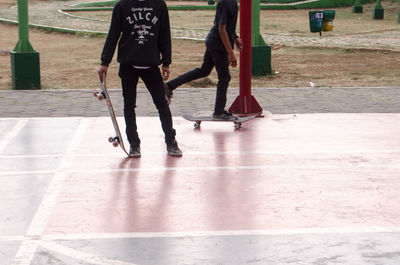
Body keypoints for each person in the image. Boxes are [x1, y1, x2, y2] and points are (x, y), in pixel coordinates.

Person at [98, 0, 182, 158]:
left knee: (162, 104)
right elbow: (113, 33)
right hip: (128, 64)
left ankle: (171, 141)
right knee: (129, 106)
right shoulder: (122, 5)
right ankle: (134, 144)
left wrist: (166, 62)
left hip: (151, 65)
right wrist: (105, 62)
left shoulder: (159, 5)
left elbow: (165, 33)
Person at [164, 0, 243, 120]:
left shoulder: (232, 2)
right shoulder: (224, 2)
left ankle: (169, 86)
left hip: (215, 42)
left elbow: (226, 25)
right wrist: (230, 52)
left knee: (204, 70)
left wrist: (235, 37)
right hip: (217, 45)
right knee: (224, 77)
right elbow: (221, 28)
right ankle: (219, 112)